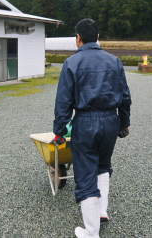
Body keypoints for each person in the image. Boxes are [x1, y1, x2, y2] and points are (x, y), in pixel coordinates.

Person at [53, 19, 131, 238]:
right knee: (103, 166)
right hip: (110, 120)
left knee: (86, 174)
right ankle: (101, 211)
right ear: (97, 37)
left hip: (85, 122)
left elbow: (63, 102)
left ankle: (91, 232)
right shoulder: (114, 61)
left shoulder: (71, 63)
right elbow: (125, 96)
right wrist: (124, 123)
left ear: (78, 38)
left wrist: (59, 131)